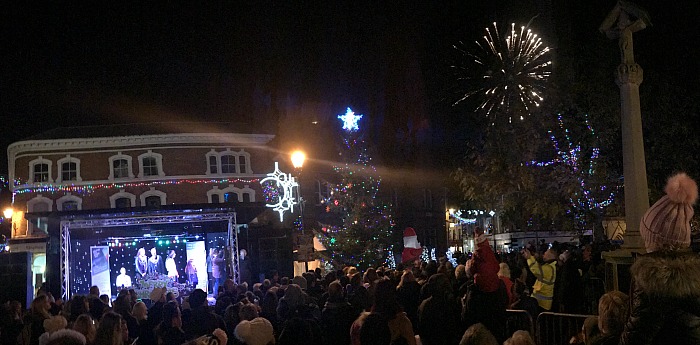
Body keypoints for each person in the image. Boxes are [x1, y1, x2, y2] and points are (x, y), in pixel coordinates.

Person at [619, 173, 700, 345]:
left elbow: (635, 338)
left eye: (647, 236)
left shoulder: (652, 283)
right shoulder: (694, 278)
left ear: (656, 241)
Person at [522, 246, 557, 313]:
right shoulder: (550, 267)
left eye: (545, 253)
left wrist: (529, 258)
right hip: (541, 302)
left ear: (551, 256)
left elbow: (536, 269)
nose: (543, 254)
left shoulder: (549, 268)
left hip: (542, 304)